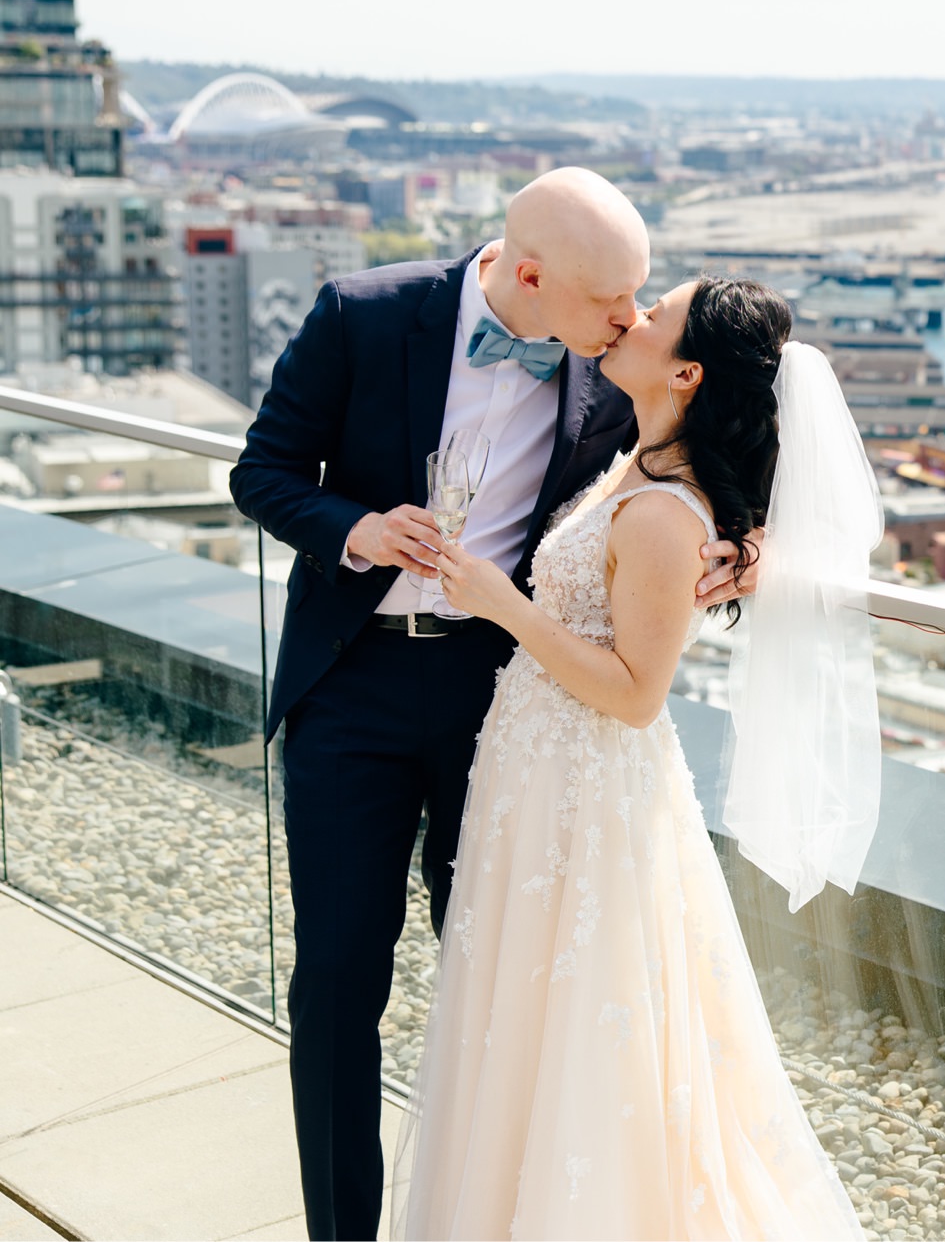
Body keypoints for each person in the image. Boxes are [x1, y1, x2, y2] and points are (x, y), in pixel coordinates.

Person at [229, 168, 758, 1242]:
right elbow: (263, 471)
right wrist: (357, 530)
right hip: (351, 688)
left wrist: (750, 546)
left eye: (639, 298)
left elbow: (702, 455)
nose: (627, 319)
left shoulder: (615, 370)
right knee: (335, 981)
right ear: (527, 274)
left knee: (500, 978)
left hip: (503, 698)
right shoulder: (362, 314)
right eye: (612, 299)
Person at [393, 276, 881, 1238]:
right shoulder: (640, 458)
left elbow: (632, 692)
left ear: (688, 372)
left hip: (586, 790)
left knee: (583, 1029)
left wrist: (502, 604)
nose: (633, 311)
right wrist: (754, 543)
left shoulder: (663, 510)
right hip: (538, 777)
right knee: (528, 1023)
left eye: (656, 312)